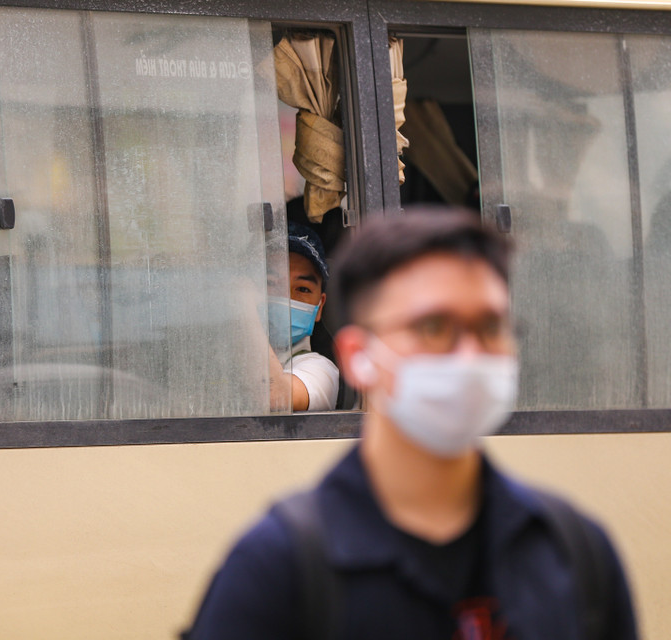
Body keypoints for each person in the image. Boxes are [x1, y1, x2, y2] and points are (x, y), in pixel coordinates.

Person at [184, 209, 637, 639]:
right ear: (359, 357)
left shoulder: (575, 553)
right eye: (434, 328)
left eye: (490, 327)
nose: (469, 357)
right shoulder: (276, 568)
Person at [267, 221, 340, 411]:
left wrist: (243, 310)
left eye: (302, 289)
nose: (286, 297)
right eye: (271, 282)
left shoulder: (320, 370)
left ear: (320, 306)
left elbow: (275, 397)